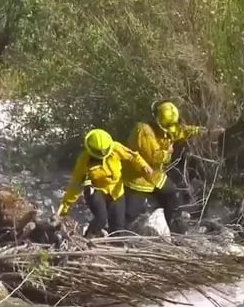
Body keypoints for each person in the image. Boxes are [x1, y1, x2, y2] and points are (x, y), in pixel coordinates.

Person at [122, 100, 224, 233]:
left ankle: (175, 227)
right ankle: (122, 231)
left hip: (154, 176)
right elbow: (153, 158)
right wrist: (168, 153)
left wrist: (207, 132)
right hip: (137, 177)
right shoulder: (144, 132)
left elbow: (183, 130)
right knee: (131, 211)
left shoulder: (166, 128)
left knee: (171, 194)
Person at [56, 128, 153, 238]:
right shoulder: (84, 160)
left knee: (118, 229)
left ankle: (114, 248)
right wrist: (64, 208)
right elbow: (75, 184)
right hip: (96, 190)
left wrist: (144, 165)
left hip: (116, 192)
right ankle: (87, 239)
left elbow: (133, 156)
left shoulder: (116, 148)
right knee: (101, 219)